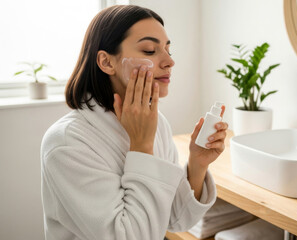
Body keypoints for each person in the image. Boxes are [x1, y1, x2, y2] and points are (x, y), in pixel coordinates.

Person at [40, 5, 228, 240]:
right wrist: (141, 146)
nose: (170, 61)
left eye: (169, 50)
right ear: (107, 62)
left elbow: (175, 219)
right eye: (150, 50)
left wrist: (197, 165)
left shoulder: (155, 122)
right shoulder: (67, 143)